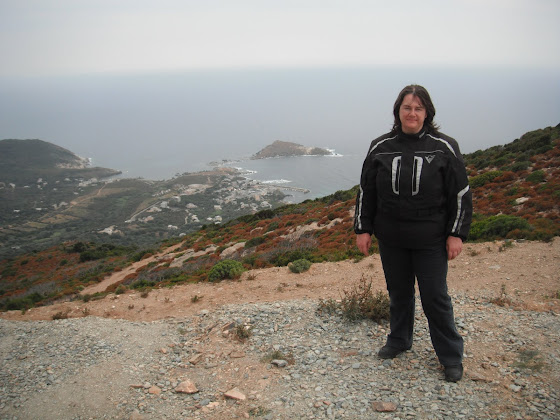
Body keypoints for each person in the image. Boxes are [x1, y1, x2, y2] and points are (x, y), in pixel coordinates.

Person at [354, 84, 472, 382]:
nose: (412, 113)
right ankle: (399, 340)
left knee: (435, 297)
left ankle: (450, 356)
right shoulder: (380, 146)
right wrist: (363, 228)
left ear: (427, 113)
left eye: (418, 108)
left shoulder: (444, 146)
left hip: (430, 238)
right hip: (391, 237)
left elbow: (460, 193)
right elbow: (366, 190)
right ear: (398, 111)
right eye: (407, 107)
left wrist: (456, 234)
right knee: (399, 293)